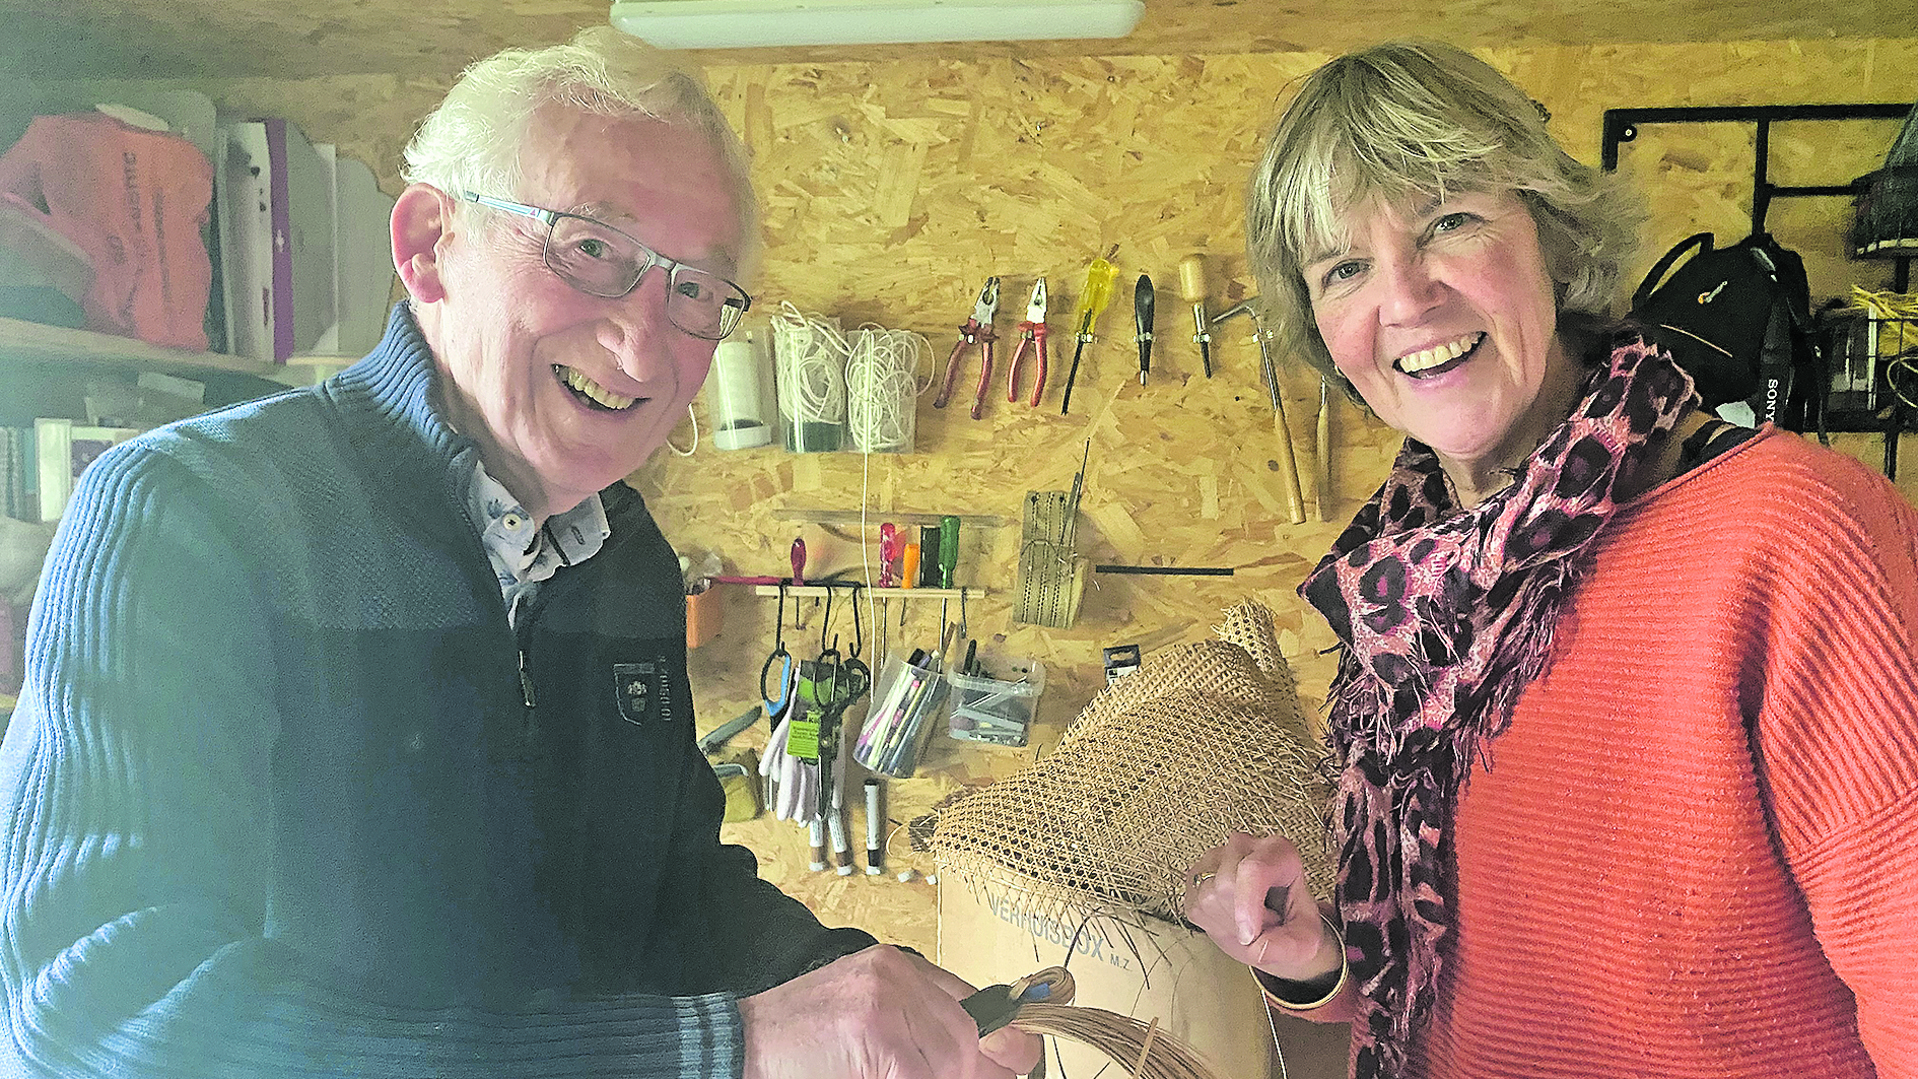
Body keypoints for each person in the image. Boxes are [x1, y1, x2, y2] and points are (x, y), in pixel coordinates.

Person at [0, 27, 1037, 1079]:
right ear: (427, 246)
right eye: (592, 250)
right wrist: (731, 1043)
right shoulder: (193, 512)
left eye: (693, 292)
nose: (644, 345)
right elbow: (94, 1009)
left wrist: (860, 988)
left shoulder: (624, 555)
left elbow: (670, 892)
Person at [1181, 40, 1918, 1079]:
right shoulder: (1404, 593)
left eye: (1448, 220)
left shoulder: (1790, 533)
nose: (1405, 296)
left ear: (1553, 238)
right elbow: (1446, 995)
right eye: (1343, 266)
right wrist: (1313, 960)